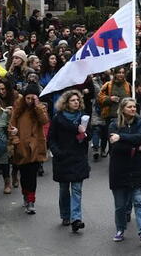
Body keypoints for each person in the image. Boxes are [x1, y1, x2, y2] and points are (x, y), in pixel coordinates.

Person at [108, 97, 141, 245]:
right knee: (121, 205)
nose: (133, 109)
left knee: (139, 202)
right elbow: (115, 148)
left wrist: (121, 137)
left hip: (136, 169)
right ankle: (120, 229)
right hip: (119, 170)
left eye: (134, 107)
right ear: (122, 109)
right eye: (129, 107)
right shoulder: (113, 125)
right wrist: (135, 146)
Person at [48, 89, 90, 232]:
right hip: (63, 158)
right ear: (66, 103)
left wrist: (83, 133)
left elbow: (87, 137)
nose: (76, 102)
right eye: (73, 100)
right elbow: (51, 138)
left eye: (78, 100)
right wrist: (57, 152)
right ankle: (65, 215)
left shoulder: (83, 118)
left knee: (77, 189)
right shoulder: (58, 118)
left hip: (78, 157)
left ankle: (76, 219)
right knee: (64, 189)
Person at [10, 83, 49, 215]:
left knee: (32, 175)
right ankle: (25, 195)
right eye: (28, 98)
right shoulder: (18, 110)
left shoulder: (40, 108)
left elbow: (44, 121)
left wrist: (38, 106)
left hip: (35, 147)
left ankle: (31, 201)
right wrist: (15, 140)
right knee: (24, 175)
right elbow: (11, 127)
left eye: (33, 98)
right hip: (21, 147)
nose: (30, 101)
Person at [97, 66, 131, 160]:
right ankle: (111, 156)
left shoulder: (128, 85)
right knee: (111, 138)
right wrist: (109, 99)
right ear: (115, 74)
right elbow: (99, 97)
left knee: (122, 138)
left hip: (124, 116)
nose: (121, 74)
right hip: (110, 116)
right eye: (119, 72)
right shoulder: (108, 85)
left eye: (122, 72)